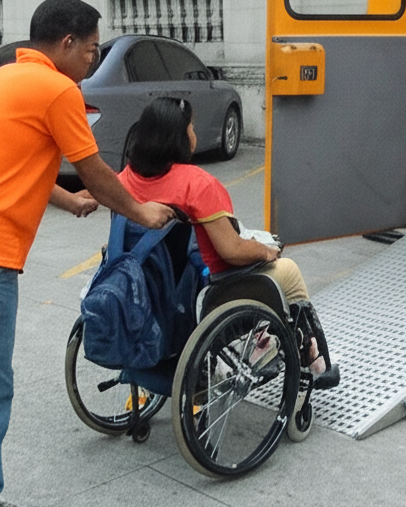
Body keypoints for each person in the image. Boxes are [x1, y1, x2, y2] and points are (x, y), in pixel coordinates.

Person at [0, 0, 176, 507]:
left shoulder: (6, 80)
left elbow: (10, 164)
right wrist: (140, 210)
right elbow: (98, 172)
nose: (91, 59)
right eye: (90, 49)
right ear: (65, 44)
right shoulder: (59, 89)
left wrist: (67, 201)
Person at [116, 96, 335, 378]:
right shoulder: (197, 184)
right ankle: (310, 358)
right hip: (214, 288)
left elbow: (95, 194)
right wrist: (264, 251)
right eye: (191, 127)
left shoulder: (128, 178)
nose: (194, 133)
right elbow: (230, 251)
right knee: (288, 271)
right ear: (179, 137)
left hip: (151, 283)